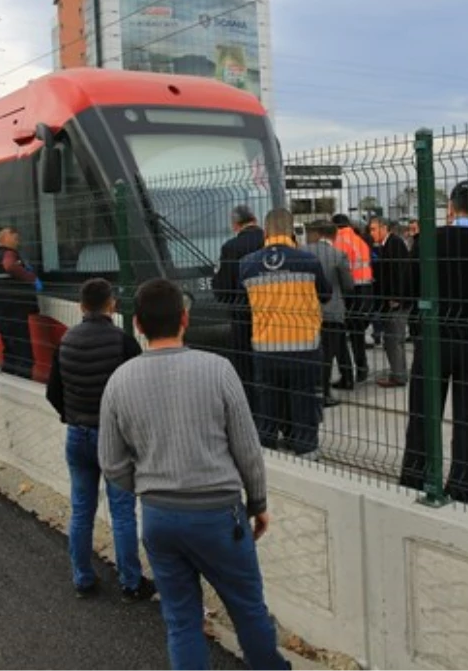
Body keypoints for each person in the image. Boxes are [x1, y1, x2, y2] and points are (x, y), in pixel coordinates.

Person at [98, 279, 290, 671]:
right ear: (185, 318)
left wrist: (148, 488)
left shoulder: (119, 381)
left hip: (159, 517)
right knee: (248, 609)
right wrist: (258, 503)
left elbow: (111, 462)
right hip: (219, 515)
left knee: (181, 619)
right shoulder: (218, 370)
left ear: (137, 324)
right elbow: (248, 450)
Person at [46, 278, 154, 601]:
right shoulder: (123, 343)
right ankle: (131, 583)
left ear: (81, 307)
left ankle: (82, 577)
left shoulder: (65, 341)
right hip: (115, 439)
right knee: (122, 512)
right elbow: (139, 394)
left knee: (81, 509)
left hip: (77, 436)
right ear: (112, 305)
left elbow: (53, 392)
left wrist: (73, 416)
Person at [399, 181, 468, 502]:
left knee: (422, 414)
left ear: (450, 208)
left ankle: (415, 478)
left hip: (435, 341)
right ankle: (460, 487)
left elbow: (411, 290)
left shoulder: (427, 242)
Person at [239, 208, 331, 457]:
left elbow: (243, 302)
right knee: (303, 401)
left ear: (265, 232)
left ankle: (267, 451)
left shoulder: (246, 264)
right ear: (292, 231)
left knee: (267, 405)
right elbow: (325, 295)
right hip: (304, 347)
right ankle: (306, 449)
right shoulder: (308, 261)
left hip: (265, 348)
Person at [211, 206, 265, 401]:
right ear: (255, 219)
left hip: (243, 312)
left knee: (245, 362)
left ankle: (250, 402)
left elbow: (223, 287)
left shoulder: (231, 247)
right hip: (272, 312)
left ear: (235, 225)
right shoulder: (270, 241)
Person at [305, 221, 354, 405]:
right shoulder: (338, 255)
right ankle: (324, 393)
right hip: (333, 312)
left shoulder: (303, 252)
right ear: (334, 235)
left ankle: (312, 390)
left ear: (317, 233)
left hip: (309, 311)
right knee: (328, 356)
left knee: (312, 352)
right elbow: (348, 286)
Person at [0, 226, 41, 378]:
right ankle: (22, 385)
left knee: (11, 352)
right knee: (24, 355)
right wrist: (32, 278)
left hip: (3, 311)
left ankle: (9, 381)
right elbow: (10, 266)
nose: (17, 235)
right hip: (14, 311)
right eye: (12, 233)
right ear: (2, 238)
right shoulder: (8, 253)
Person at [368, 217, 413, 387]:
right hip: (391, 300)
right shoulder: (386, 245)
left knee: (394, 338)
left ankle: (399, 375)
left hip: (397, 301)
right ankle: (397, 371)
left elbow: (399, 272)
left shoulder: (394, 244)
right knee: (391, 338)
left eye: (374, 229)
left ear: (384, 228)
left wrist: (396, 297)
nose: (372, 233)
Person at [333, 214, 373, 382]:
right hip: (366, 289)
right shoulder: (360, 240)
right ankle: (362, 368)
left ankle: (347, 374)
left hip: (348, 291)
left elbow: (338, 269)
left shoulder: (339, 241)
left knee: (340, 333)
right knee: (357, 333)